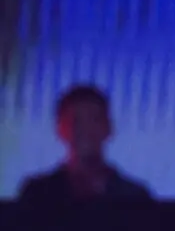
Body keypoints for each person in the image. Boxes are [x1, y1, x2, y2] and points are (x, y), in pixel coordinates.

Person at [17, 84, 151, 202]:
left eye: (94, 119)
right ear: (60, 129)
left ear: (109, 127)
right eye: (76, 121)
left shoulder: (135, 198)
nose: (86, 129)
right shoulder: (37, 194)